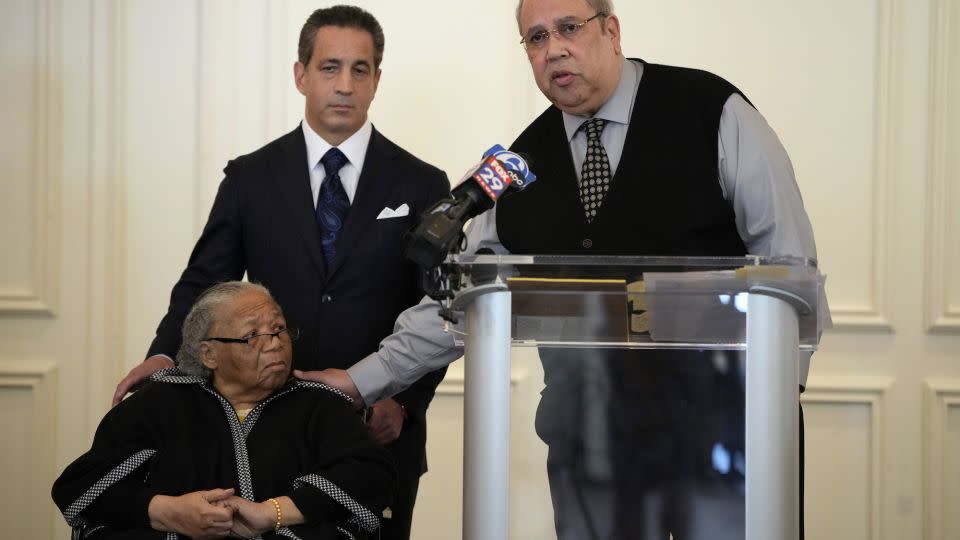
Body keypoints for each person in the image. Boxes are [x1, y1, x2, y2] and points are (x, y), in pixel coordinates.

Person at [310, 0, 828, 539]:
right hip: (593, 447)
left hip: (729, 435)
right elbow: (462, 299)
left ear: (611, 30)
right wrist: (358, 382)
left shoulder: (713, 110)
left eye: (569, 28)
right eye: (535, 38)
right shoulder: (518, 166)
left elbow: (787, 264)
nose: (554, 48)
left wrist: (777, 399)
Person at [110, 6, 449, 539]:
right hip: (265, 424)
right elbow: (203, 284)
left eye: (360, 70)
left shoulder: (424, 183)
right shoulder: (250, 177)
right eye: (329, 67)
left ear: (377, 80)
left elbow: (440, 309)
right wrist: (163, 354)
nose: (344, 84)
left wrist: (403, 400)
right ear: (301, 74)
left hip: (377, 435)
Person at [53, 281, 396, 540]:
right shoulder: (159, 403)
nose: (274, 342)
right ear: (209, 354)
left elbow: (371, 477)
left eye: (278, 329)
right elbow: (80, 486)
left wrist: (272, 513)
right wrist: (167, 512)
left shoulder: (318, 402)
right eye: (252, 335)